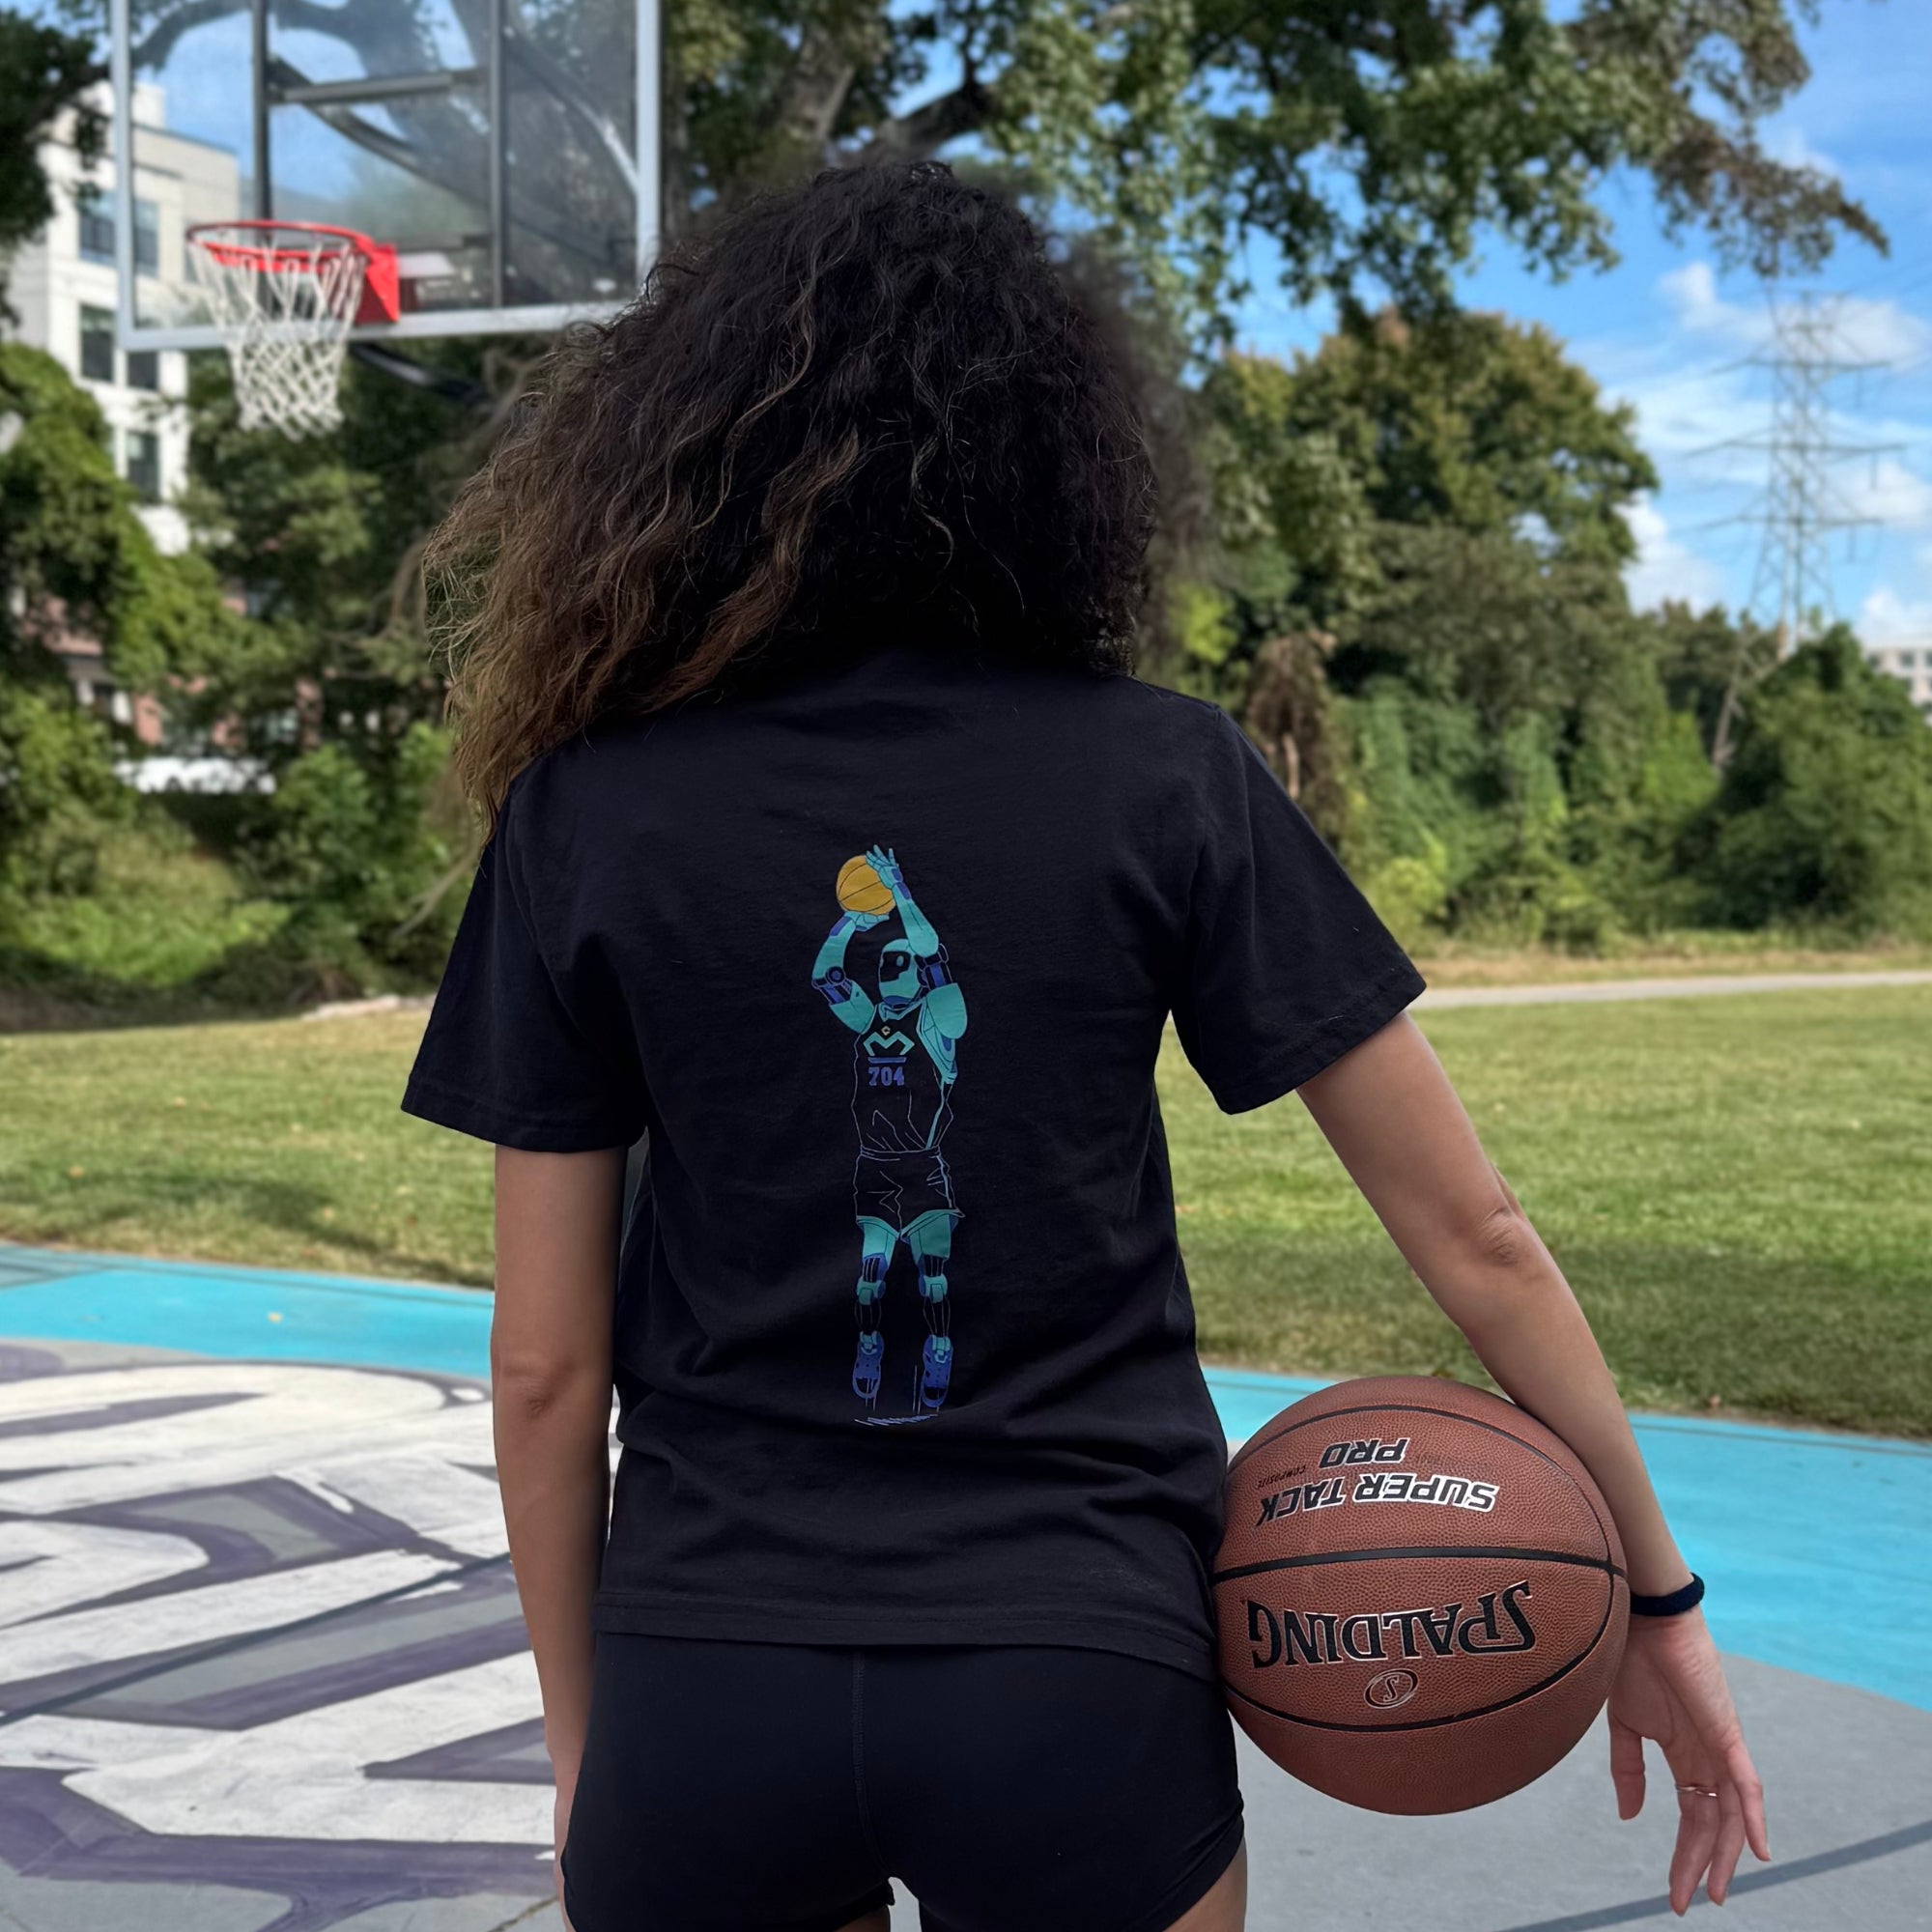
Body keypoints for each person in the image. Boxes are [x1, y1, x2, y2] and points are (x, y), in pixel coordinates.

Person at [404, 160, 1768, 1932]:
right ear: (1056, 460)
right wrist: (1657, 1600)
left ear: (689, 457)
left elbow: (542, 1372)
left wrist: (591, 1744)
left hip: (710, 1667)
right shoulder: (1166, 774)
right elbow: (1479, 1238)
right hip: (1075, 1663)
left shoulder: (584, 813)